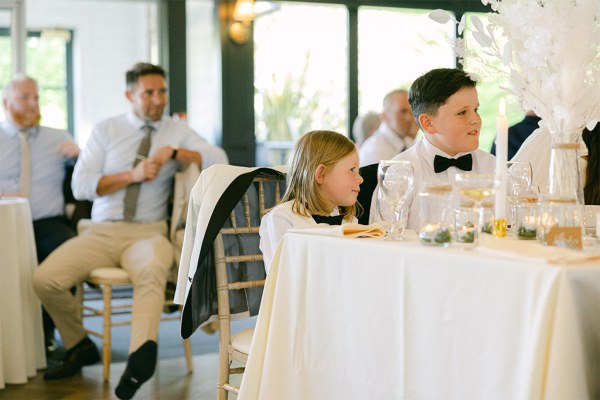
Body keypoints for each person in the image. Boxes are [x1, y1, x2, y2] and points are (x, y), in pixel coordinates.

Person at [33, 62, 228, 399]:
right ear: (130, 95)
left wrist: (177, 152)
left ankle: (142, 354)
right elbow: (81, 186)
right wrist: (131, 176)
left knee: (153, 268)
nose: (158, 99)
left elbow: (218, 156)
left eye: (162, 91)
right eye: (149, 93)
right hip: (100, 232)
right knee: (44, 279)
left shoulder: (175, 130)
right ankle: (80, 344)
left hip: (149, 233)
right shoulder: (106, 129)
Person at [0, 75, 80, 354]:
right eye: (25, 98)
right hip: (4, 223)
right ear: (6, 102)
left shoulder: (59, 138)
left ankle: (55, 333)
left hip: (47, 221)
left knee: (66, 253)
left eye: (36, 97)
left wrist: (78, 157)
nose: (33, 104)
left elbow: (85, 179)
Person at [373, 68, 495, 229]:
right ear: (428, 123)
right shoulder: (399, 173)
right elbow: (384, 239)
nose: (476, 120)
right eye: (462, 112)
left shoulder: (492, 167)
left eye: (476, 109)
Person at [259, 130, 363, 270]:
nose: (360, 179)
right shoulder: (282, 219)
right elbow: (283, 276)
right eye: (352, 170)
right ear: (321, 174)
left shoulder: (349, 221)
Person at [359, 89, 419, 166]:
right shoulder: (375, 151)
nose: (409, 118)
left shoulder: (408, 142)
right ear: (384, 116)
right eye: (403, 111)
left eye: (412, 111)